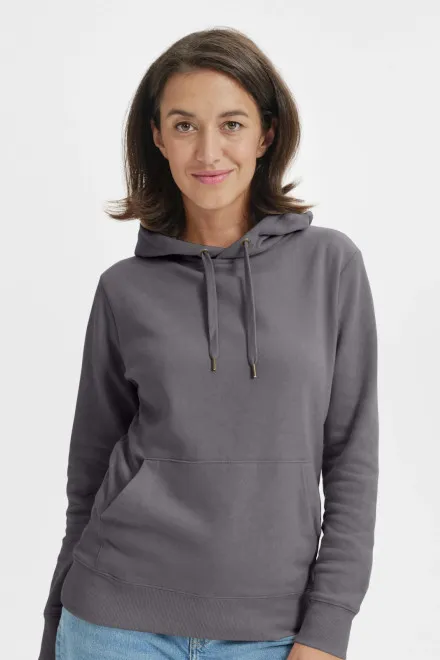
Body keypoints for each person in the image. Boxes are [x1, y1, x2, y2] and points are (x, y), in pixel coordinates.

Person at [38, 26, 379, 660]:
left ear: (266, 133)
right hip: (113, 622)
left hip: (273, 633)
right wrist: (54, 629)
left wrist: (328, 627)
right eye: (185, 125)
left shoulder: (331, 266)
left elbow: (351, 459)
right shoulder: (123, 289)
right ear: (157, 137)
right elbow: (87, 479)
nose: (208, 151)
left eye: (231, 124)